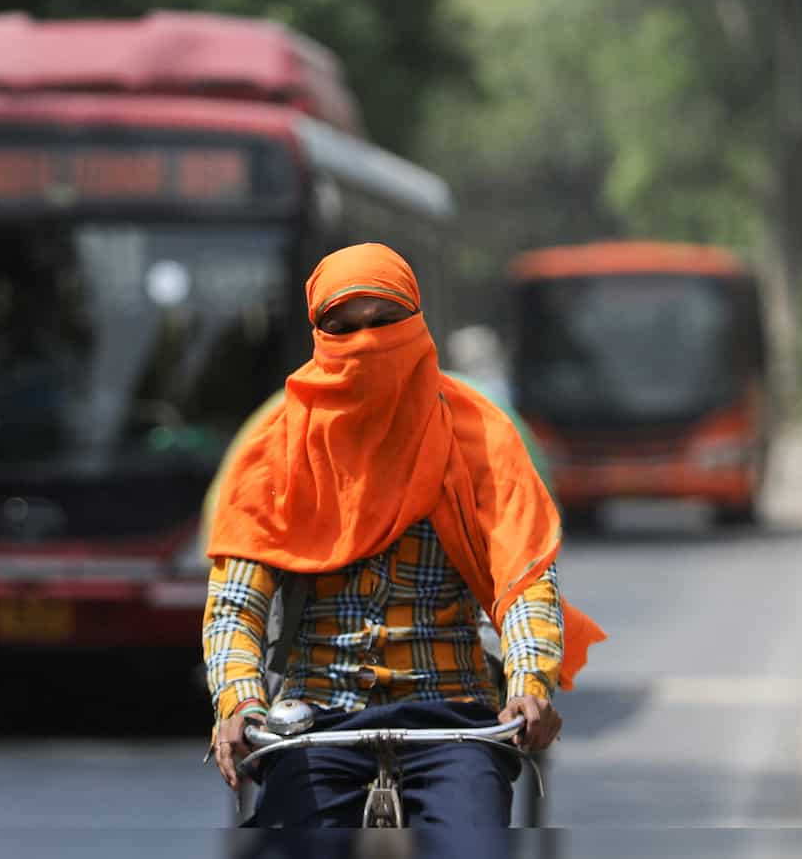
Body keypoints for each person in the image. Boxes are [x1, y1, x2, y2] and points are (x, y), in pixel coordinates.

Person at [201, 243, 604, 832]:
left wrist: (529, 684)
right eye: (343, 328)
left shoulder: (481, 437)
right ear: (317, 335)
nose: (365, 343)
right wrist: (239, 699)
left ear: (416, 324)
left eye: (384, 323)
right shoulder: (275, 448)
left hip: (453, 721)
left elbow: (524, 584)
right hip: (313, 720)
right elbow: (236, 605)